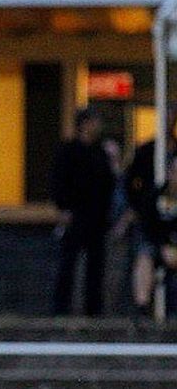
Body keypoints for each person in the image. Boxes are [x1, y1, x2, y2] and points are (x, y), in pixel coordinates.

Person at [52, 107, 117, 317]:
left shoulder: (101, 152)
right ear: (85, 124)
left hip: (97, 216)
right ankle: (61, 310)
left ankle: (94, 310)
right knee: (68, 263)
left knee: (96, 265)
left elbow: (109, 183)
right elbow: (58, 181)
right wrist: (63, 208)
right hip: (75, 215)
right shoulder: (68, 150)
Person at [125, 104, 177, 321]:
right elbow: (151, 226)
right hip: (161, 245)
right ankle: (142, 309)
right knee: (144, 258)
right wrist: (164, 245)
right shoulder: (156, 196)